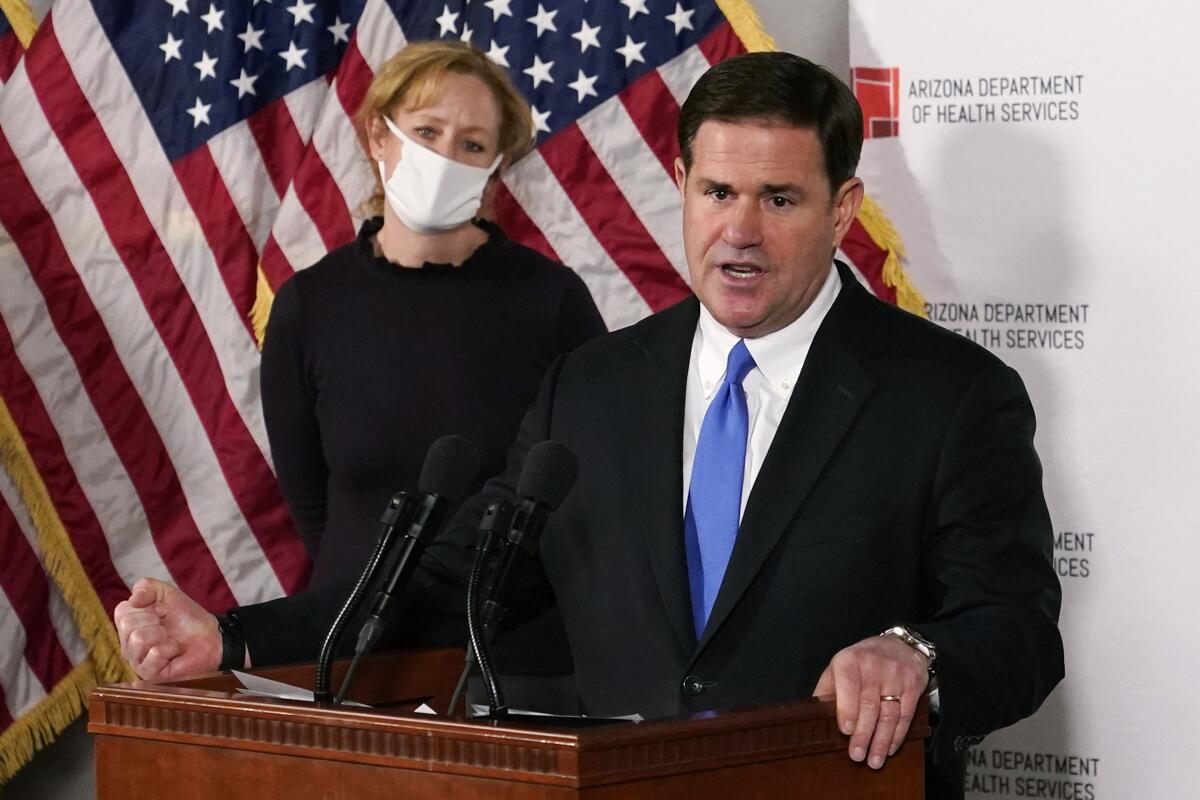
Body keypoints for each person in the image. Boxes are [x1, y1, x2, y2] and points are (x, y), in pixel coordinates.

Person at [115, 52, 1062, 799]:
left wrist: (918, 654)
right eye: (717, 193)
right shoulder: (598, 385)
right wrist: (233, 640)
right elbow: (453, 580)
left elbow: (1018, 630)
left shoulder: (949, 395)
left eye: (779, 200)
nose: (739, 230)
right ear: (682, 183)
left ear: (843, 210)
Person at [259, 40, 605, 589]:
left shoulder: (553, 299)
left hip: (509, 642)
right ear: (379, 136)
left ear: (496, 166)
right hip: (349, 632)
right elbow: (310, 504)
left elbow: (592, 473)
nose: (446, 158)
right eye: (427, 132)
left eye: (472, 143)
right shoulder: (309, 304)